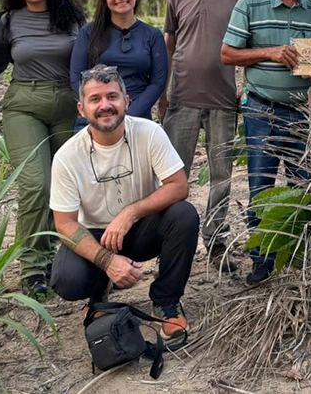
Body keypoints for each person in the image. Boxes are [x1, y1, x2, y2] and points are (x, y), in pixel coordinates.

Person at [49, 65, 199, 341]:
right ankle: (99, 294)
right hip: (96, 237)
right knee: (66, 279)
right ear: (81, 109)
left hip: (141, 230)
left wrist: (131, 212)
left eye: (112, 97)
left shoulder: (149, 132)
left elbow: (179, 186)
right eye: (95, 99)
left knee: (184, 215)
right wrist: (106, 260)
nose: (105, 105)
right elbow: (65, 223)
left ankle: (166, 300)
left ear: (126, 102)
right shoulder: (67, 156)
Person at [221, 0, 311, 285]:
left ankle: (297, 254)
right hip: (261, 109)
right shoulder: (250, 5)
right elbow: (228, 54)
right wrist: (269, 52)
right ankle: (262, 259)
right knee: (261, 185)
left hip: (302, 111)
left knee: (302, 184)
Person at [0, 0, 87, 300]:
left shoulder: (73, 19)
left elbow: (88, 61)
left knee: (66, 187)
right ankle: (33, 266)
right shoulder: (8, 22)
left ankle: (60, 258)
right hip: (23, 104)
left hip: (67, 103)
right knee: (36, 184)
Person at [159, 0, 247, 272]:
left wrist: (242, 87)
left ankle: (216, 239)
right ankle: (170, 238)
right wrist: (163, 92)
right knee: (173, 175)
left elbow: (245, 43)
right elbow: (169, 43)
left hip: (224, 99)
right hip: (182, 97)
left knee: (221, 175)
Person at [70, 0, 167, 121]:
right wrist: (98, 108)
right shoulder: (88, 33)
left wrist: (127, 116)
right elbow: (76, 77)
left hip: (138, 116)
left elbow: (157, 83)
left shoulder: (153, 35)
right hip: (98, 115)